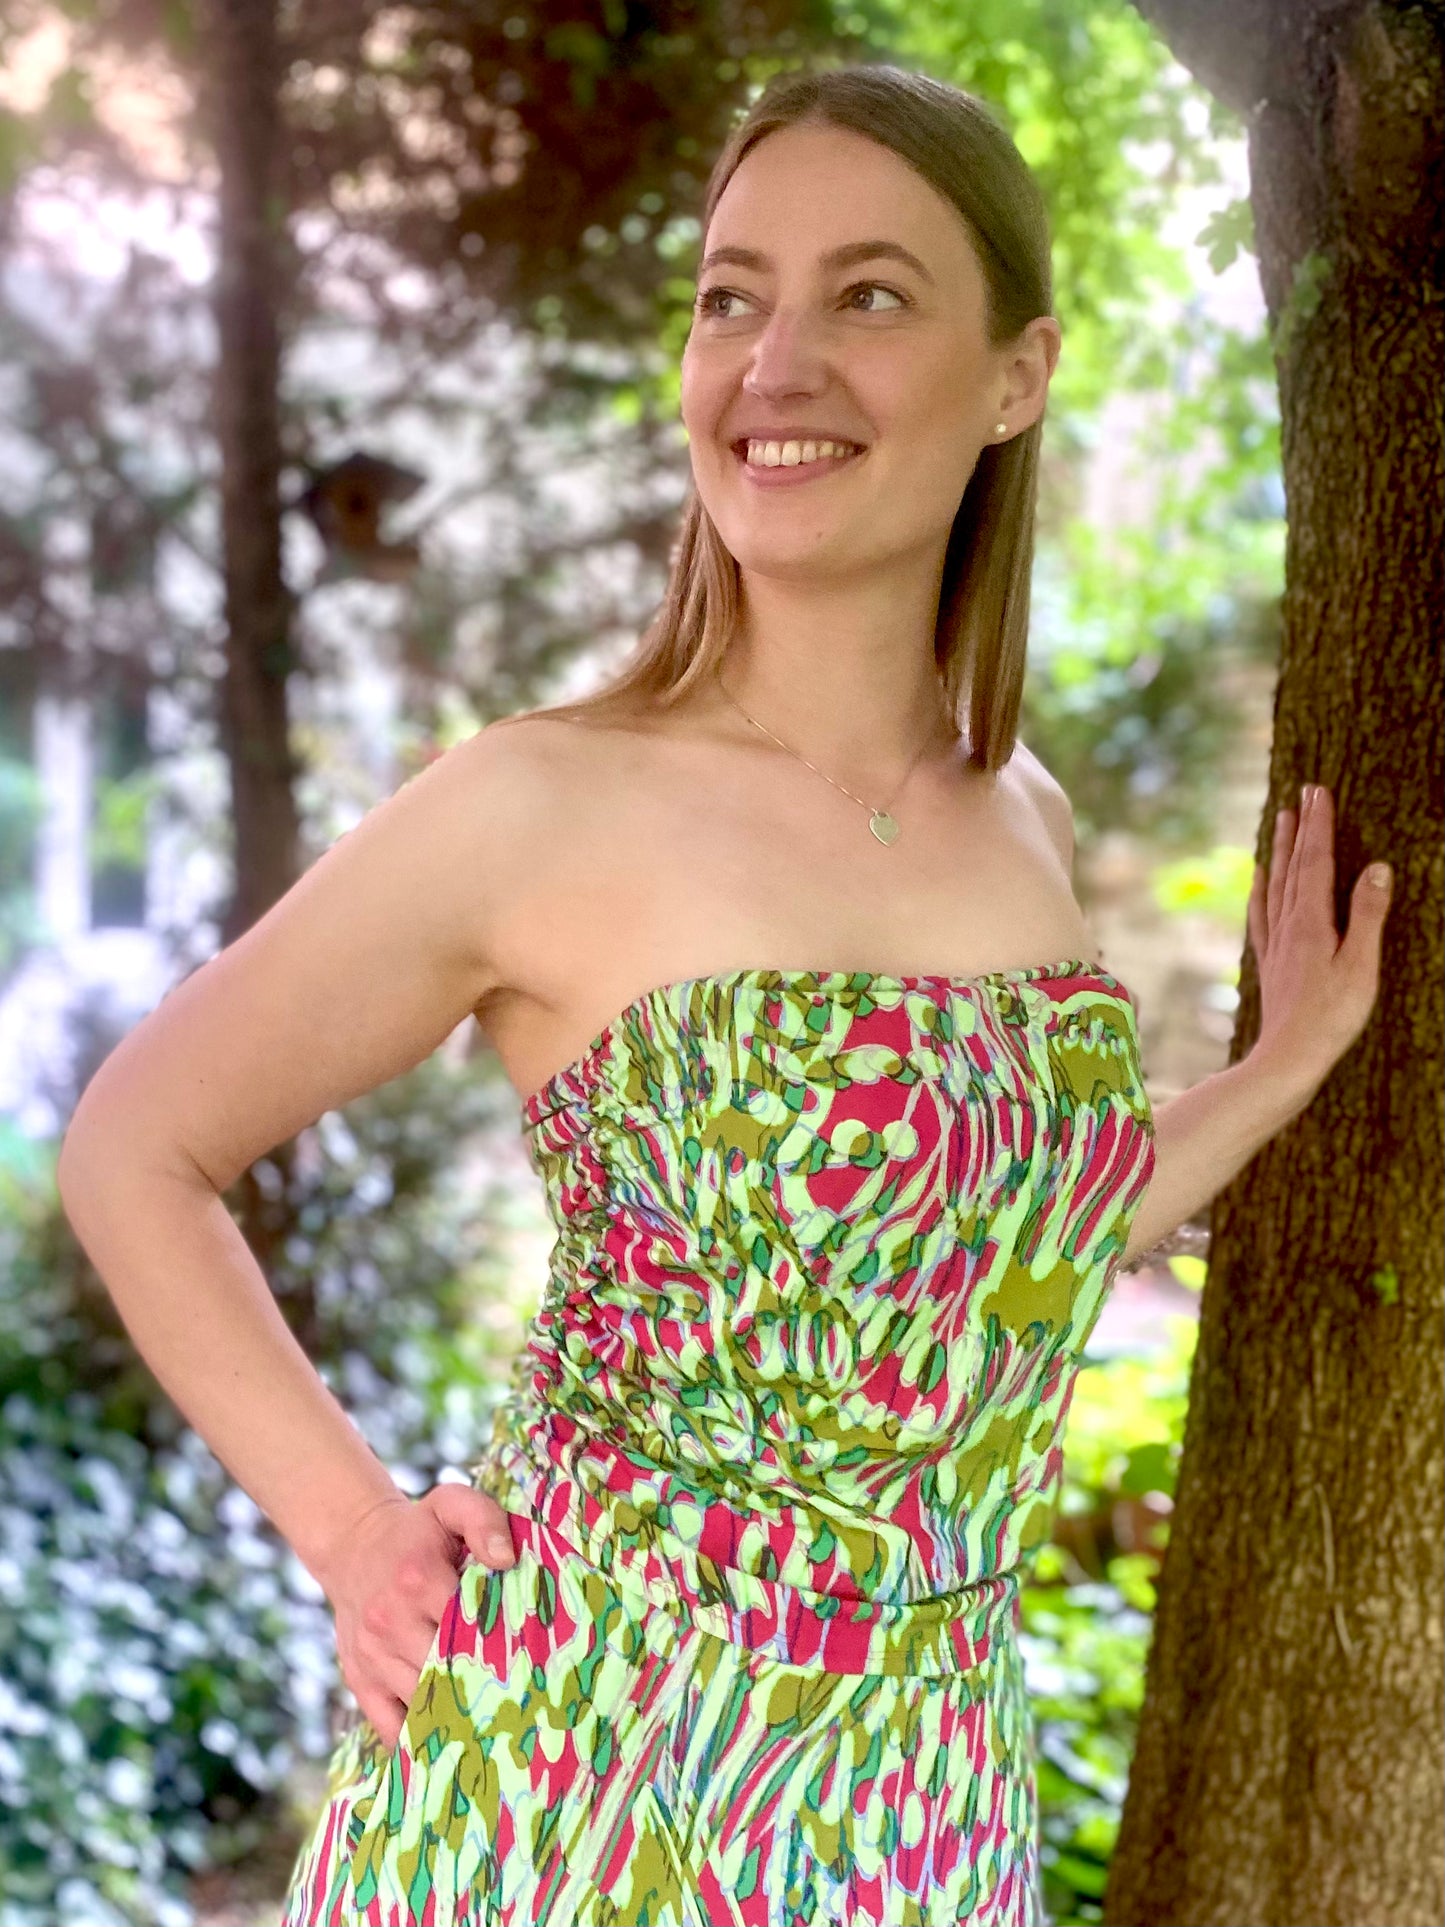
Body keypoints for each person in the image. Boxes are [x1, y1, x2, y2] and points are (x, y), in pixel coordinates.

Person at [57, 60, 1393, 1927]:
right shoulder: (539, 803)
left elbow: (988, 1241)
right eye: (730, 298)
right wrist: (352, 1525)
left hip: (925, 1800)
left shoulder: (1019, 812)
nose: (776, 365)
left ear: (1016, 374)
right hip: (586, 1783)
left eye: (869, 295)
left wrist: (1279, 1068)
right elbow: (135, 1144)